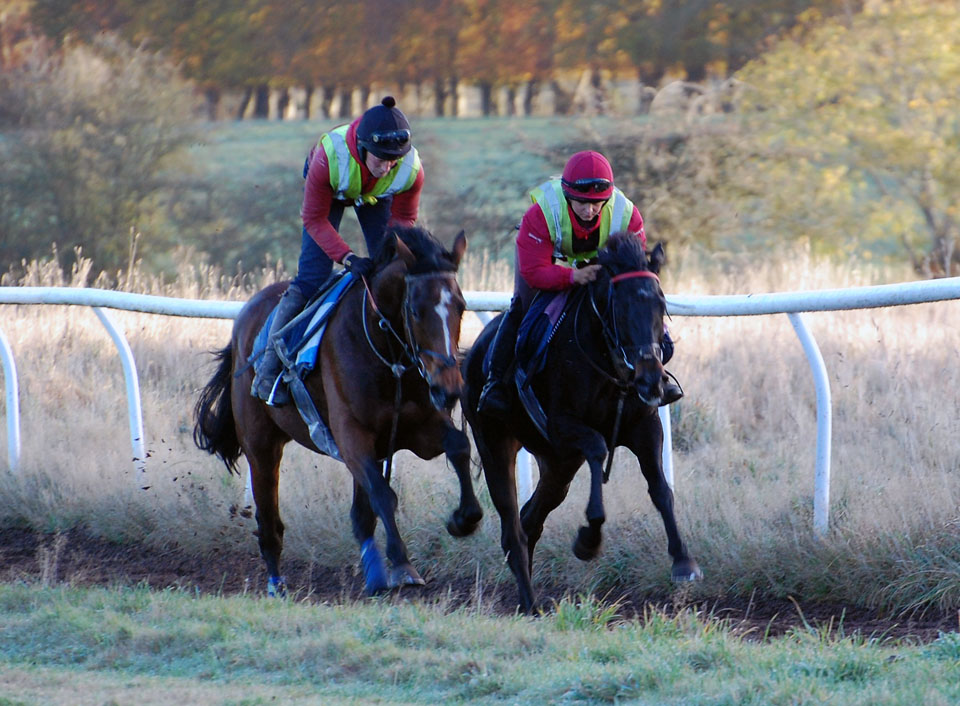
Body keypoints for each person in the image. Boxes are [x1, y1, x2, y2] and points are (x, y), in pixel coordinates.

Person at [477, 150, 682, 417]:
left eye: (597, 203)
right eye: (581, 202)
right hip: (547, 264)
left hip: (599, 266)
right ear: (567, 195)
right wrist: (572, 276)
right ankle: (494, 384)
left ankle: (656, 376)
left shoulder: (628, 216)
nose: (589, 210)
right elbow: (535, 272)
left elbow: (633, 275)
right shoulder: (540, 214)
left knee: (635, 307)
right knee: (521, 308)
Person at [252, 96, 424, 405]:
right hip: (331, 188)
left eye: (393, 160)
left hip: (374, 196)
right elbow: (314, 219)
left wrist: (389, 253)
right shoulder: (329, 159)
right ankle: (268, 370)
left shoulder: (409, 169)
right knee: (311, 278)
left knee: (392, 269)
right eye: (380, 159)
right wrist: (347, 257)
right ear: (362, 148)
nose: (387, 167)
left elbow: (404, 219)